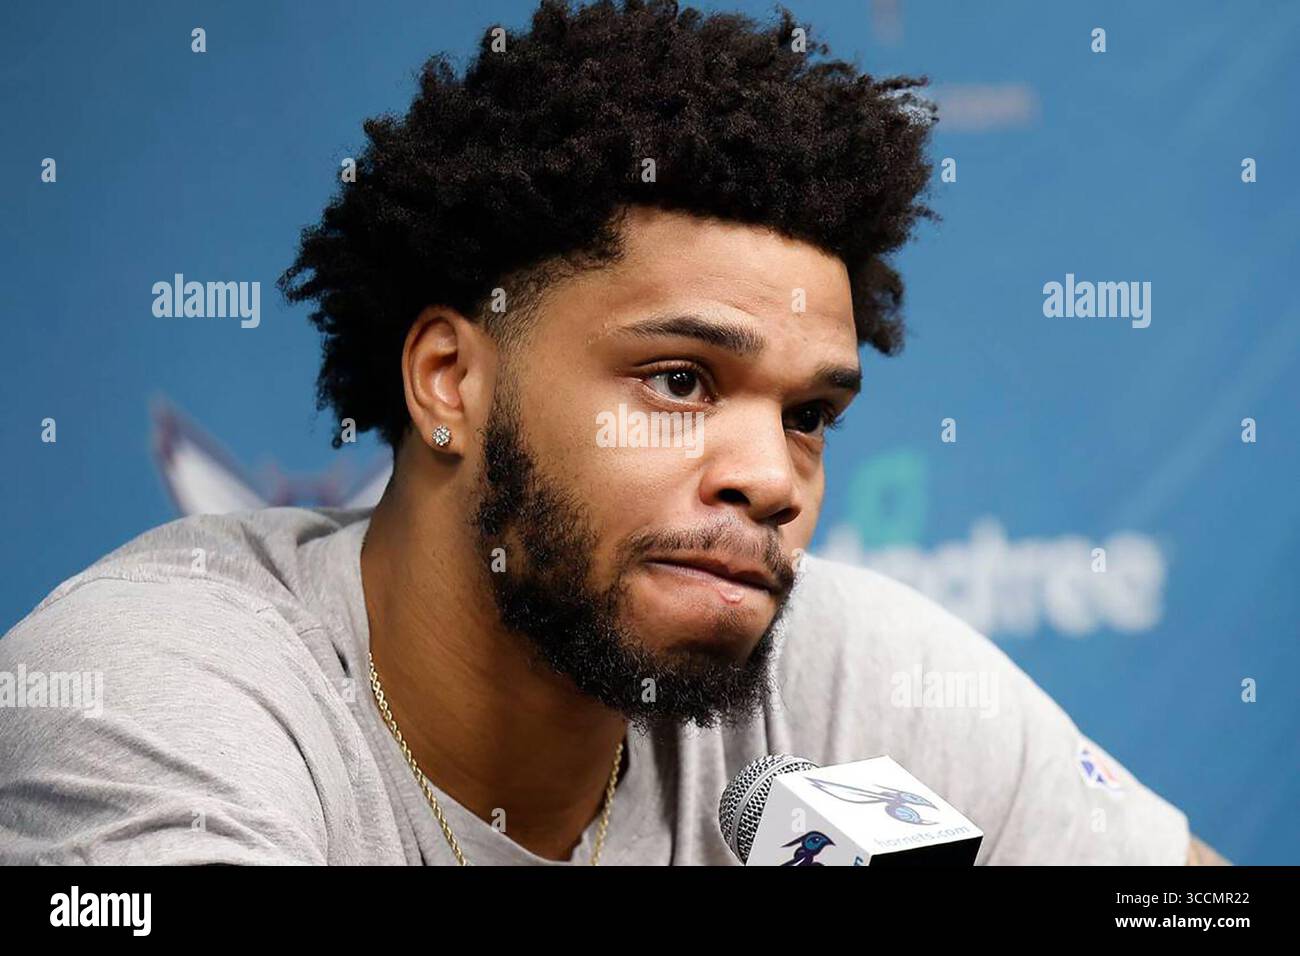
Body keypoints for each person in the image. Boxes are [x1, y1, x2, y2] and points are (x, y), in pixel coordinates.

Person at [0, 0, 1226, 865]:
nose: (770, 480)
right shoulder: (158, 690)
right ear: (448, 379)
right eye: (681, 379)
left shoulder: (837, 668)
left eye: (808, 416)